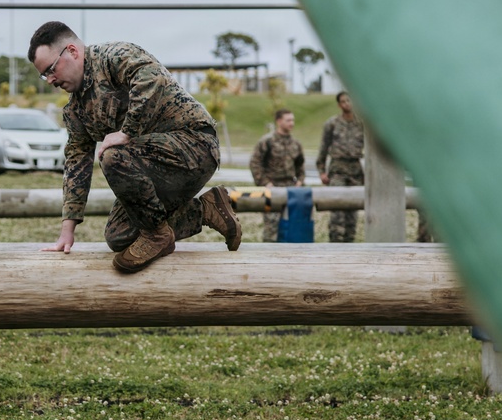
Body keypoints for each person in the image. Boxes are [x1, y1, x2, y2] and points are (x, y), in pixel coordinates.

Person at [28, 22, 242, 272]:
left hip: (194, 146)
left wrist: (127, 132)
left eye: (51, 69)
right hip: (152, 170)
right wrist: (67, 230)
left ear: (72, 51)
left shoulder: (114, 56)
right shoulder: (76, 109)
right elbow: (77, 162)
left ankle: (157, 236)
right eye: (44, 75)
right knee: (119, 236)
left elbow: (152, 78)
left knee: (113, 155)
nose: (50, 80)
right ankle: (207, 209)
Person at [317, 90, 364, 243]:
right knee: (337, 208)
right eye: (343, 101)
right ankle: (335, 242)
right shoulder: (332, 123)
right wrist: (322, 171)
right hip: (338, 169)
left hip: (355, 169)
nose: (347, 104)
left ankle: (349, 241)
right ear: (339, 105)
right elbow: (323, 148)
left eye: (349, 101)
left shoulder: (361, 123)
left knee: (353, 210)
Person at [250, 109, 305, 240]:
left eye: (293, 120)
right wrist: (265, 183)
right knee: (271, 228)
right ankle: (269, 252)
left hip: (291, 189)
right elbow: (255, 163)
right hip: (272, 189)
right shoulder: (267, 141)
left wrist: (300, 181)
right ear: (279, 121)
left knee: (291, 227)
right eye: (288, 120)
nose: (292, 123)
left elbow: (300, 165)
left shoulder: (296, 144)